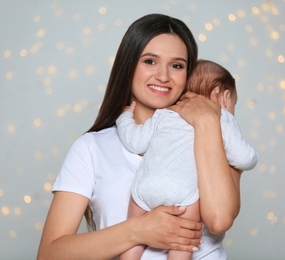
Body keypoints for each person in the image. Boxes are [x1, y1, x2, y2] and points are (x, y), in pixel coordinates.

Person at [37, 13, 242, 260]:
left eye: (177, 65)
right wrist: (138, 231)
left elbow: (219, 219)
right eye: (150, 61)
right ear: (128, 65)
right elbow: (49, 255)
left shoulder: (221, 140)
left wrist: (208, 120)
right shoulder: (91, 149)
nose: (163, 76)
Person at [116, 59, 258, 260]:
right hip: (183, 196)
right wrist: (253, 158)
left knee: (132, 236)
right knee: (183, 240)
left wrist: (125, 118)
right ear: (224, 97)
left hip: (145, 187)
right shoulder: (221, 117)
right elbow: (244, 158)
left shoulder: (164, 114)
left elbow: (134, 142)